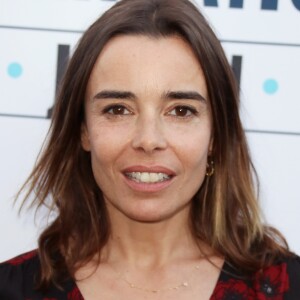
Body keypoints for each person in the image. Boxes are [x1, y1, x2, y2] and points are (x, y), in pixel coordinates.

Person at [1, 0, 299, 299]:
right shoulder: (13, 288)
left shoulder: (286, 286)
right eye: (118, 109)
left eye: (181, 111)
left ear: (215, 136)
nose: (148, 139)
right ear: (83, 130)